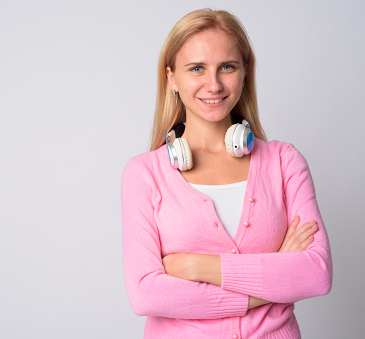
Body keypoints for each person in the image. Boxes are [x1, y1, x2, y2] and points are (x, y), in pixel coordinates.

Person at [121, 8, 332, 339]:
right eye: (197, 68)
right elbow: (147, 294)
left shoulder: (284, 162)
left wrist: (198, 267)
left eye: (227, 67)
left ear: (245, 71)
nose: (214, 84)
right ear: (172, 78)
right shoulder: (144, 173)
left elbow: (316, 274)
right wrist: (273, 281)